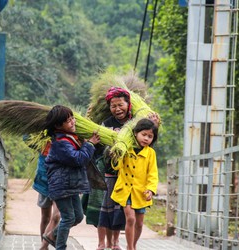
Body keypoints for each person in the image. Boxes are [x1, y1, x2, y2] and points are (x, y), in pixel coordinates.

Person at [43, 105, 101, 250]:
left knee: (78, 216)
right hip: (62, 186)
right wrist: (90, 145)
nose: (73, 122)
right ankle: (60, 246)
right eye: (69, 121)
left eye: (73, 118)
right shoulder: (61, 143)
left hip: (71, 185)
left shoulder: (70, 138)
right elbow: (78, 159)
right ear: (58, 126)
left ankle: (52, 235)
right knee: (68, 217)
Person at [111, 118, 159, 250]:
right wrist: (116, 153)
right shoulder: (125, 147)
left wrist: (150, 189)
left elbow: (153, 174)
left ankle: (133, 244)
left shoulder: (150, 153)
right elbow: (116, 166)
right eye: (144, 134)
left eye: (150, 136)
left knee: (139, 223)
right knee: (130, 219)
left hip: (141, 192)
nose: (146, 138)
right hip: (126, 189)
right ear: (136, 133)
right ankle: (130, 247)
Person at [97, 86, 134, 250]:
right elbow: (100, 148)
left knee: (119, 209)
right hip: (110, 172)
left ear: (128, 104)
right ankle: (103, 243)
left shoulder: (135, 123)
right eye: (113, 106)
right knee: (107, 208)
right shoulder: (106, 124)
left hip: (128, 174)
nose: (117, 109)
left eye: (121, 105)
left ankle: (116, 243)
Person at [32, 141, 60, 250]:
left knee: (57, 215)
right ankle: (44, 247)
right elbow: (28, 138)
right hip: (44, 179)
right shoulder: (43, 133)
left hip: (59, 181)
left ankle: (45, 244)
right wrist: (42, 144)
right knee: (45, 217)